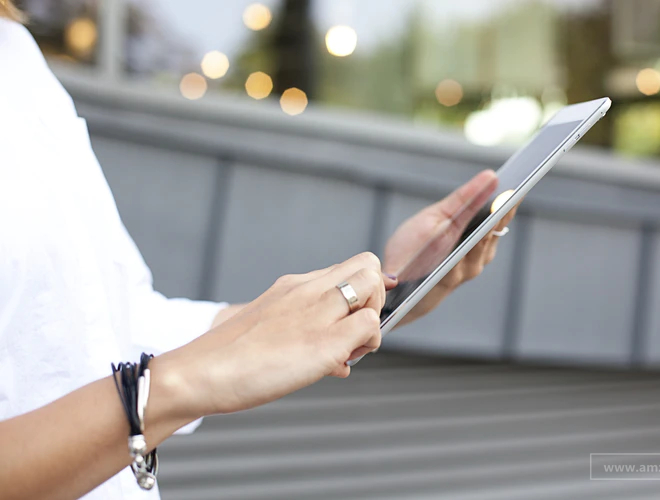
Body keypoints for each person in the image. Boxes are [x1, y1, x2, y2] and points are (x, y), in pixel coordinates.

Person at [0, 3, 518, 499]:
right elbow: (160, 376)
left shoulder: (18, 54)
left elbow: (119, 328)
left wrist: (392, 290)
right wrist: (178, 386)